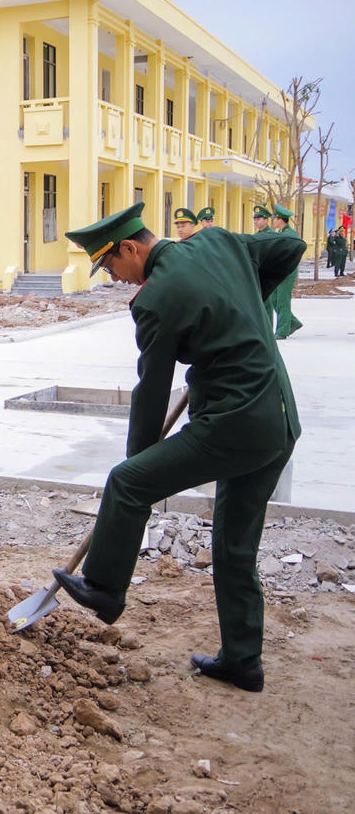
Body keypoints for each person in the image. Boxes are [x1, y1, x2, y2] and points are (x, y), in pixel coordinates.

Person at [56, 201, 303, 693]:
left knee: (127, 483)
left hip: (232, 424)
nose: (115, 278)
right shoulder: (218, 242)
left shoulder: (155, 299)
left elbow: (151, 394)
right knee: (234, 547)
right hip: (278, 419)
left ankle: (105, 589)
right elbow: (290, 246)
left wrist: (140, 461)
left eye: (111, 266)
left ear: (130, 247)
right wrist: (246, 300)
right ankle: (242, 661)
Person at [265, 204, 303, 339]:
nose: (272, 222)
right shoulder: (281, 233)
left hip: (286, 273)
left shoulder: (290, 235)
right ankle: (292, 322)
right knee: (274, 299)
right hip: (279, 272)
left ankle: (282, 331)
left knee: (282, 301)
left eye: (274, 219)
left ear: (280, 219)